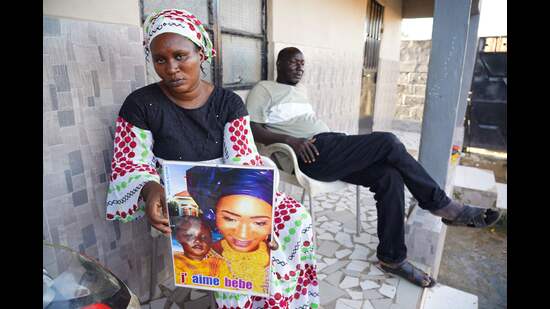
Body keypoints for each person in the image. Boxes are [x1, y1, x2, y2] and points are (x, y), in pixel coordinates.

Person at [105, 10, 319, 308]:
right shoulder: (141, 105)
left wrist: (261, 220)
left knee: (295, 220)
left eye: (181, 56)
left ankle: (288, 300)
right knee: (236, 259)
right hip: (180, 197)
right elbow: (131, 163)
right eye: (160, 60)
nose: (171, 69)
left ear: (201, 54)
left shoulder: (228, 104)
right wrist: (150, 188)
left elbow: (244, 162)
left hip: (233, 194)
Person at [246, 47, 501, 288]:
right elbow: (253, 128)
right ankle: (441, 204)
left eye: (303, 63)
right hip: (310, 154)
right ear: (279, 64)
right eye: (294, 61)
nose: (300, 67)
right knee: (388, 142)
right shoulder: (264, 89)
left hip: (331, 145)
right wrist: (292, 141)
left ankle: (392, 258)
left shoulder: (301, 90)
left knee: (388, 176)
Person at [185, 166, 275, 295]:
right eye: (230, 219)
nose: (242, 234)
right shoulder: (205, 258)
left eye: (259, 223)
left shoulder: (279, 252)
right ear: (214, 214)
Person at [172, 216, 232, 285]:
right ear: (179, 238)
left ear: (211, 242)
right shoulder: (174, 262)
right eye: (191, 236)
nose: (198, 240)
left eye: (204, 238)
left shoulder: (218, 264)